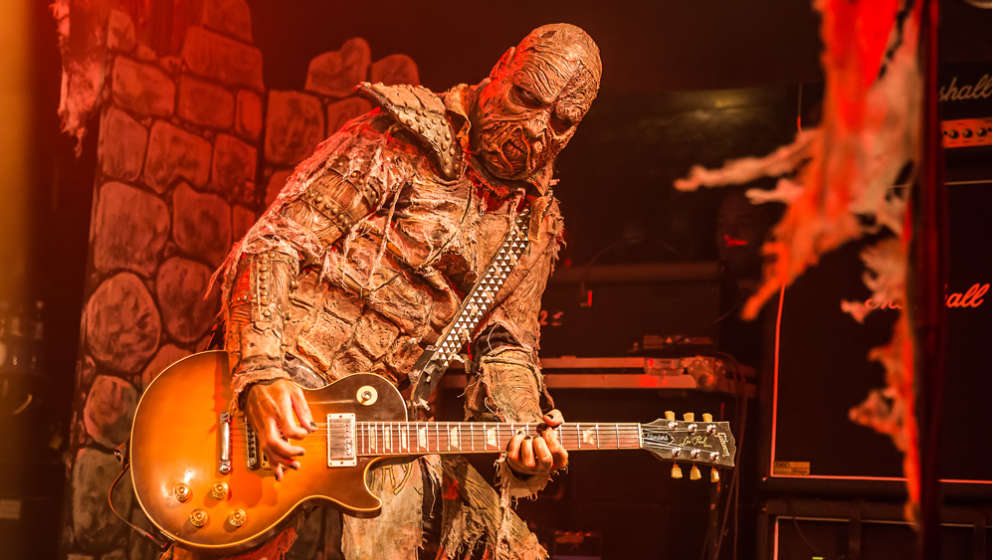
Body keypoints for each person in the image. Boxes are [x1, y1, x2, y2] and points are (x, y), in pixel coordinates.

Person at [218, 23, 602, 560]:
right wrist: (261, 372)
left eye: (561, 122)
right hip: (292, 384)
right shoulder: (401, 137)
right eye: (526, 97)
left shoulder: (533, 223)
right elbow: (277, 242)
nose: (536, 130)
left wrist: (522, 432)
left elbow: (507, 346)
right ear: (502, 65)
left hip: (389, 426)